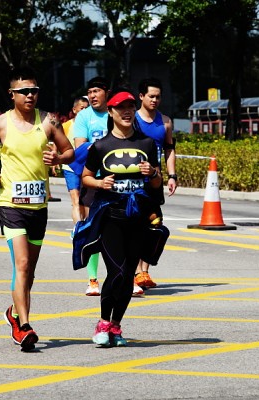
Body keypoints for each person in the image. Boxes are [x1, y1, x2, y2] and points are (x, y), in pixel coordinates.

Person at [0, 67, 74, 351]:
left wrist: (58, 158)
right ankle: (25, 327)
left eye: (34, 91)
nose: (30, 96)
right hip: (11, 203)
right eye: (24, 91)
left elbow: (70, 151)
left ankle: (14, 313)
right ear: (12, 94)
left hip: (38, 206)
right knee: (21, 264)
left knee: (29, 271)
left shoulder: (49, 121)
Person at [78, 88, 163, 347]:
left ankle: (116, 325)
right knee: (115, 271)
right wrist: (100, 183)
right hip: (111, 218)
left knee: (127, 275)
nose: (127, 112)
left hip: (137, 219)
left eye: (130, 107)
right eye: (121, 108)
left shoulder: (146, 144)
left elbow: (157, 183)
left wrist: (152, 173)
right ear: (111, 112)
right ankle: (103, 323)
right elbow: (86, 177)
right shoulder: (101, 146)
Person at [133, 78, 177, 296]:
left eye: (158, 97)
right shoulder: (131, 120)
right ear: (141, 96)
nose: (155, 100)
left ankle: (144, 271)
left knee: (154, 223)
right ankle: (135, 272)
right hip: (133, 180)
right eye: (151, 96)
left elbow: (169, 149)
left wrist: (172, 175)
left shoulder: (166, 122)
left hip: (155, 180)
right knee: (134, 224)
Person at [72, 77, 110, 296]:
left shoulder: (115, 113)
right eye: (90, 92)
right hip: (92, 179)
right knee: (92, 229)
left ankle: (128, 276)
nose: (93, 96)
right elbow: (80, 148)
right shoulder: (84, 116)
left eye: (97, 91)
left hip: (117, 179)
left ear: (107, 93)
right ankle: (93, 280)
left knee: (121, 230)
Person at [62, 96, 89, 231]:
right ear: (74, 110)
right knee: (76, 200)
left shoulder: (90, 124)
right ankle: (78, 230)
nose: (84, 111)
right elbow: (58, 144)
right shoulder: (66, 126)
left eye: (87, 108)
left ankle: (85, 227)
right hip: (70, 167)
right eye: (82, 108)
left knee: (85, 202)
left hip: (87, 168)